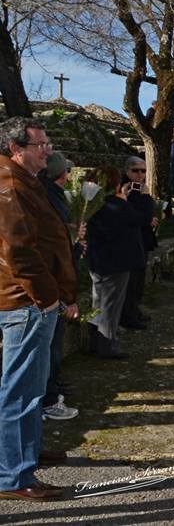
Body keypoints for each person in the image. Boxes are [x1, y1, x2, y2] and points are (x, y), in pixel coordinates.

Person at [0, 118, 80, 501]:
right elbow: (17, 251)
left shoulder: (26, 181)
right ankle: (14, 476)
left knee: (32, 389)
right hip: (26, 302)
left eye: (47, 143)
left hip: (32, 301)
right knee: (21, 391)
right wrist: (47, 298)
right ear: (17, 149)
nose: (48, 150)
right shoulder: (11, 185)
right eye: (40, 144)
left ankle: (24, 455)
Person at [85, 167, 152, 359]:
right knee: (110, 306)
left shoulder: (94, 203)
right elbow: (143, 218)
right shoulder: (114, 205)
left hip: (99, 260)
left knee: (98, 302)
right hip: (116, 262)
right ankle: (107, 346)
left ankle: (95, 343)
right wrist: (146, 197)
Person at [36, 152, 80, 421]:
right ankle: (47, 399)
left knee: (52, 344)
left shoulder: (49, 195)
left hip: (56, 277)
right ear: (62, 174)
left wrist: (73, 234)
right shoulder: (47, 198)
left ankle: (50, 390)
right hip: (50, 282)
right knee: (48, 345)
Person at [120, 157, 158, 331]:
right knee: (131, 281)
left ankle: (134, 310)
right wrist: (146, 199)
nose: (140, 175)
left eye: (143, 171)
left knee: (139, 279)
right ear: (127, 171)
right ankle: (129, 315)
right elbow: (137, 215)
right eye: (136, 170)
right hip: (129, 241)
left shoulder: (141, 189)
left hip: (142, 239)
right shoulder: (123, 189)